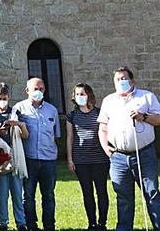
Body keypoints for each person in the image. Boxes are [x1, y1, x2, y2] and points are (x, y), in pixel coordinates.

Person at [97, 67, 160, 231]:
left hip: (144, 154)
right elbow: (103, 128)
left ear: (132, 81)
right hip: (118, 157)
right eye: (117, 79)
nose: (121, 82)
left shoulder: (146, 96)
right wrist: (107, 150)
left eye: (124, 78)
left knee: (152, 194)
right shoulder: (109, 100)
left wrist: (143, 116)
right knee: (123, 197)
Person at [14, 78, 58, 231]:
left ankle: (49, 226)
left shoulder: (52, 110)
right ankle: (31, 225)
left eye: (41, 88)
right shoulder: (18, 109)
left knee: (49, 195)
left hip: (49, 160)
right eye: (34, 88)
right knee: (28, 196)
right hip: (29, 159)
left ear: (44, 90)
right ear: (27, 91)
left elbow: (55, 134)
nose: (38, 91)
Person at [66, 84, 108, 231]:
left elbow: (105, 133)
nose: (79, 97)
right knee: (87, 192)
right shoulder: (72, 116)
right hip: (81, 161)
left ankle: (102, 223)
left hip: (100, 160)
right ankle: (92, 223)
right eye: (77, 94)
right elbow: (70, 138)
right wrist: (70, 159)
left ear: (89, 95)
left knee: (101, 191)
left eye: (82, 94)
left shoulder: (99, 113)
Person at [0, 84, 26, 231]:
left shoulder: (15, 111)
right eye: (0, 98)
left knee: (17, 193)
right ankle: (3, 223)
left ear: (9, 97)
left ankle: (21, 223)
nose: (3, 100)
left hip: (15, 155)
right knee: (2, 194)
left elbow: (26, 135)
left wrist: (19, 124)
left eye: (5, 98)